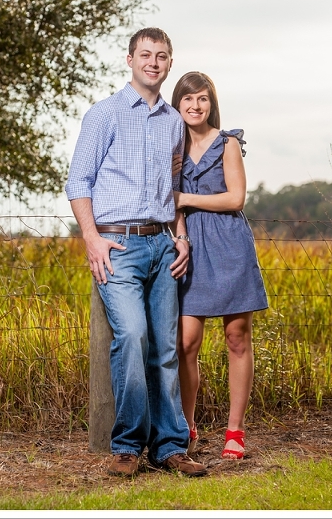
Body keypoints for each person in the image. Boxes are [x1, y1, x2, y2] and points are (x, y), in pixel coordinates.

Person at [65, 27, 207, 477]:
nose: (154, 62)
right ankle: (126, 445)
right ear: (129, 60)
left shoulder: (173, 123)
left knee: (164, 348)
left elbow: (176, 189)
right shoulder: (103, 115)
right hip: (117, 246)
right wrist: (91, 238)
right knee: (131, 337)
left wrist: (180, 237)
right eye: (145, 55)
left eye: (162, 56)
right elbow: (78, 183)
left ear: (169, 63)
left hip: (164, 246)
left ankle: (170, 447)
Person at [170, 71, 268, 460]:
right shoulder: (171, 145)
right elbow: (168, 202)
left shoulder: (227, 143)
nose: (196, 106)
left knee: (237, 338)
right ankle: (186, 428)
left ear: (212, 104)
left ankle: (235, 432)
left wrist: (185, 198)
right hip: (189, 247)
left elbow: (236, 199)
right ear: (177, 104)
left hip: (229, 244)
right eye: (188, 99)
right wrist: (180, 234)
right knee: (186, 343)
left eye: (203, 99)